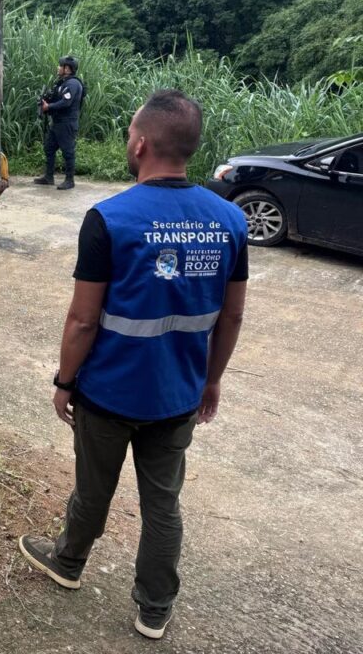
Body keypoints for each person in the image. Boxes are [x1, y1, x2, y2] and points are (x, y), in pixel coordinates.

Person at [18, 90, 249, 640]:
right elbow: (232, 317)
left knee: (93, 490)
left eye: (128, 135)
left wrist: (64, 381)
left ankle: (68, 563)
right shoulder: (230, 221)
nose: (128, 142)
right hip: (177, 397)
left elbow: (82, 321)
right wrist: (210, 381)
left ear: (142, 143)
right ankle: (154, 608)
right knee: (163, 504)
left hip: (108, 393)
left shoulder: (109, 219)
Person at [35, 55, 84, 190]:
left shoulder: (73, 84)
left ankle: (70, 180)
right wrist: (46, 103)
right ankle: (48, 177)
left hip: (66, 123)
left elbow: (66, 102)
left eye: (60, 66)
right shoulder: (62, 83)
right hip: (57, 123)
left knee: (68, 152)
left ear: (67, 69)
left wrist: (49, 107)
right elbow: (57, 99)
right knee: (49, 148)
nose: (58, 68)